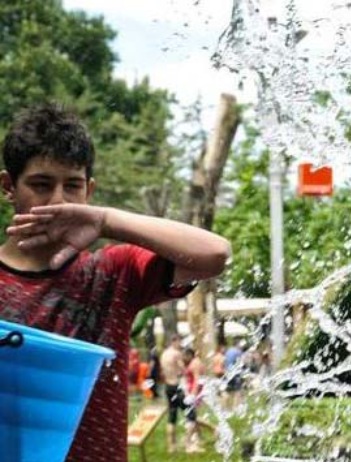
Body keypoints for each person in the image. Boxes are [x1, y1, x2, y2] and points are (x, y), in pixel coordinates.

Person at [0, 101, 231, 462]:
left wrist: (106, 221)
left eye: (72, 186)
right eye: (41, 185)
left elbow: (214, 254)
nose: (59, 201)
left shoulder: (112, 272)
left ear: (89, 191)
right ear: (8, 186)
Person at [181, 347, 205, 453]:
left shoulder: (195, 363)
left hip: (193, 394)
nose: (183, 358)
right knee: (193, 418)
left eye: (184, 356)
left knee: (191, 419)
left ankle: (188, 443)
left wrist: (193, 396)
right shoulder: (192, 362)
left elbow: (197, 380)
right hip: (191, 393)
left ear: (190, 355)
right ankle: (197, 440)